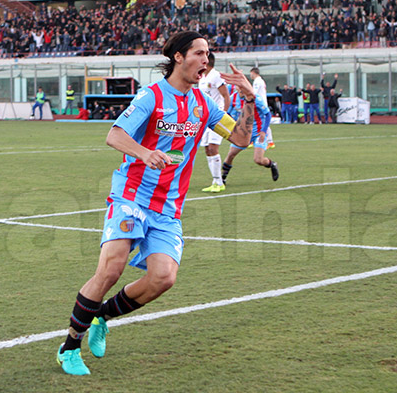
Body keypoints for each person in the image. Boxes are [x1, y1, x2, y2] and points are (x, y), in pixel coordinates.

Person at [55, 31, 256, 376]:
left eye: (208, 54)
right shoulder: (151, 96)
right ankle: (70, 347)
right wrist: (144, 153)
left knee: (163, 278)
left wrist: (249, 99)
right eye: (199, 53)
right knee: (111, 269)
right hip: (132, 195)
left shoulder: (204, 104)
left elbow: (241, 137)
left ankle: (102, 316)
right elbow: (114, 135)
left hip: (168, 207)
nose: (206, 60)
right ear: (179, 57)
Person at [221, 84, 279, 183]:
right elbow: (227, 114)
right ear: (236, 88)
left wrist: (263, 131)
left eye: (243, 87)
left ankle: (272, 164)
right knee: (230, 155)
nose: (241, 89)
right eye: (239, 87)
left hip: (257, 133)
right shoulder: (233, 98)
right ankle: (222, 179)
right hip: (243, 133)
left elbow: (267, 114)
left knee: (258, 160)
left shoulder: (255, 98)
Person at [199, 52, 230, 193]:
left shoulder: (216, 75)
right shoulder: (202, 77)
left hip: (216, 117)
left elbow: (226, 96)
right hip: (205, 118)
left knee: (213, 147)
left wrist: (224, 113)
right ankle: (215, 181)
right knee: (207, 149)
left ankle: (219, 182)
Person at [250, 67, 274, 148]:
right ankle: (268, 141)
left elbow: (254, 93)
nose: (250, 75)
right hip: (261, 103)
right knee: (259, 121)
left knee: (262, 122)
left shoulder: (257, 81)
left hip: (260, 104)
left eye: (251, 74)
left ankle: (270, 141)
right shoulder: (261, 80)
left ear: (253, 73)